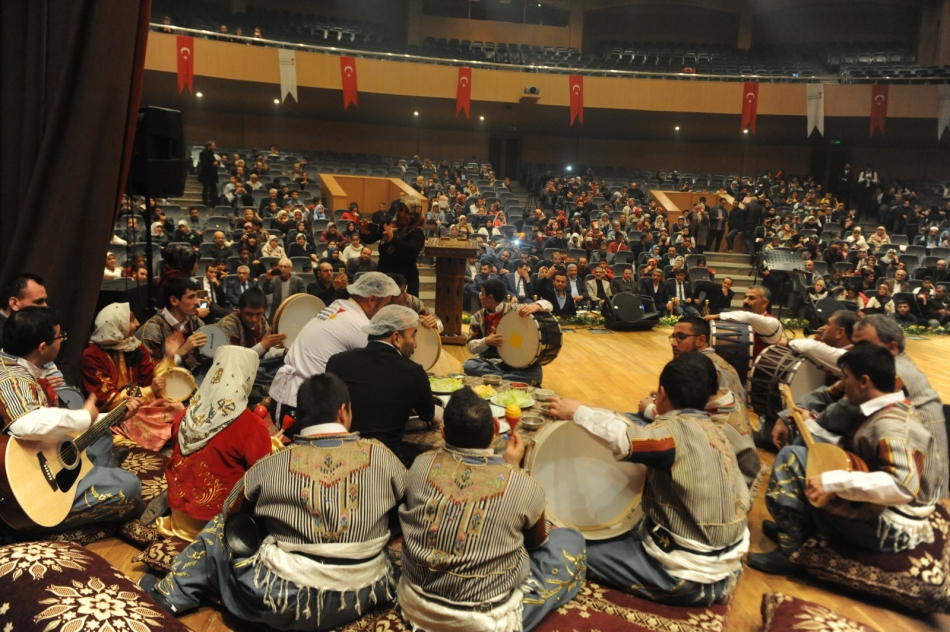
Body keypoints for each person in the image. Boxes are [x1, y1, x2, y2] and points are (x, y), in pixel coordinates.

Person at [142, 373, 406, 629]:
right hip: (365, 592)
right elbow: (407, 507)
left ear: (299, 417)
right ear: (343, 412)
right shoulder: (381, 455)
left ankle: (171, 595)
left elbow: (231, 513)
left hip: (285, 601)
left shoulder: (272, 464)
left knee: (220, 526)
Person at [548, 352, 750, 606]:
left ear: (662, 394)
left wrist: (578, 411)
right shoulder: (715, 430)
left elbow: (624, 439)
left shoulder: (675, 432)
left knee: (567, 543)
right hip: (726, 556)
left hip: (687, 572)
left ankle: (688, 587)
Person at [397, 387, 586, 631]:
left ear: (443, 434)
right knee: (571, 541)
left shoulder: (420, 465)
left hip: (415, 605)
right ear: (496, 428)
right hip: (481, 621)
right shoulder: (522, 484)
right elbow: (537, 543)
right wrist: (514, 468)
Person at [749, 344, 944, 575]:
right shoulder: (888, 407)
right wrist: (808, 423)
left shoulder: (891, 425)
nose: (842, 384)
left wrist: (832, 482)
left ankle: (792, 552)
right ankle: (800, 524)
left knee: (791, 459)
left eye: (846, 377)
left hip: (892, 527)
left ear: (864, 381)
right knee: (809, 449)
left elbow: (902, 486)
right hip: (887, 510)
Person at [0, 308, 143, 528]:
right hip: (21, 490)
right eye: (60, 336)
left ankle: (95, 474)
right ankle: (47, 514)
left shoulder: (19, 365)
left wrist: (115, 415)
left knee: (101, 432)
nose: (62, 340)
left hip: (42, 451)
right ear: (42, 347)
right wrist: (84, 417)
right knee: (130, 486)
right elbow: (25, 424)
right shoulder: (11, 378)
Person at [155, 345, 272, 540]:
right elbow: (263, 478)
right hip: (218, 525)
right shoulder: (251, 425)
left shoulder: (185, 414)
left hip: (179, 517)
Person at [270, 273, 401, 427]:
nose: (385, 313)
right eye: (385, 305)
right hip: (301, 408)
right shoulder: (360, 325)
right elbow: (386, 368)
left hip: (283, 397)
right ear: (372, 299)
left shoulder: (338, 306)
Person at [325, 306, 440, 464]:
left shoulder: (337, 361)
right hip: (384, 462)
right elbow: (428, 415)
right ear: (396, 338)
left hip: (336, 457)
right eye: (413, 335)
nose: (415, 344)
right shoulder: (413, 372)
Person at [81, 303, 183, 451]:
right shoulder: (93, 355)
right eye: (132, 320)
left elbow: (150, 378)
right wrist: (148, 391)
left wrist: (169, 358)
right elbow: (106, 398)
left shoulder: (135, 346)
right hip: (118, 413)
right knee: (133, 419)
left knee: (176, 406)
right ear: (117, 324)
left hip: (140, 404)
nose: (137, 324)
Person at [464, 279, 554, 385]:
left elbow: (548, 304)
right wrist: (487, 341)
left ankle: (495, 378)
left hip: (516, 363)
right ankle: (510, 380)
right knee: (469, 365)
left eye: (482, 293)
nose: (480, 296)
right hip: (489, 363)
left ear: (490, 297)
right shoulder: (478, 317)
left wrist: (536, 306)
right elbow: (470, 346)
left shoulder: (515, 309)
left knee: (537, 372)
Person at [140, 276, 208, 374]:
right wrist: (182, 351)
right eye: (191, 297)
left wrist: (196, 356)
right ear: (174, 301)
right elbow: (153, 374)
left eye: (196, 296)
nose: (197, 302)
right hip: (168, 381)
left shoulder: (195, 321)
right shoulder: (152, 329)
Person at [361, 196, 426, 296]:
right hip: (384, 278)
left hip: (405, 281)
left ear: (415, 214)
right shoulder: (389, 224)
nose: (402, 214)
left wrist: (392, 239)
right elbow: (370, 239)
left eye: (407, 212)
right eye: (400, 209)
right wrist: (364, 232)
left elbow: (410, 251)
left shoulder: (417, 233)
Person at [706, 285, 783, 357]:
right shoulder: (739, 318)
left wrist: (717, 316)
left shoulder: (772, 323)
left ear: (764, 303)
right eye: (745, 297)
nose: (746, 301)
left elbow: (749, 317)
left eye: (751, 298)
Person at [216, 287, 286, 356]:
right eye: (248, 314)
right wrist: (264, 344)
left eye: (258, 314)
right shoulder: (228, 324)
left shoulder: (261, 321)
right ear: (240, 310)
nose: (254, 320)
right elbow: (234, 359)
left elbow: (268, 352)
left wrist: (284, 351)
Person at [198, 141, 219, 207]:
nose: (215, 147)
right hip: (206, 174)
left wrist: (217, 163)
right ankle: (205, 203)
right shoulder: (203, 153)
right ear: (209, 146)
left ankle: (214, 204)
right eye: (213, 146)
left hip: (213, 175)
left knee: (214, 189)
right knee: (206, 189)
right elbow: (204, 164)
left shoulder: (212, 153)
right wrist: (213, 164)